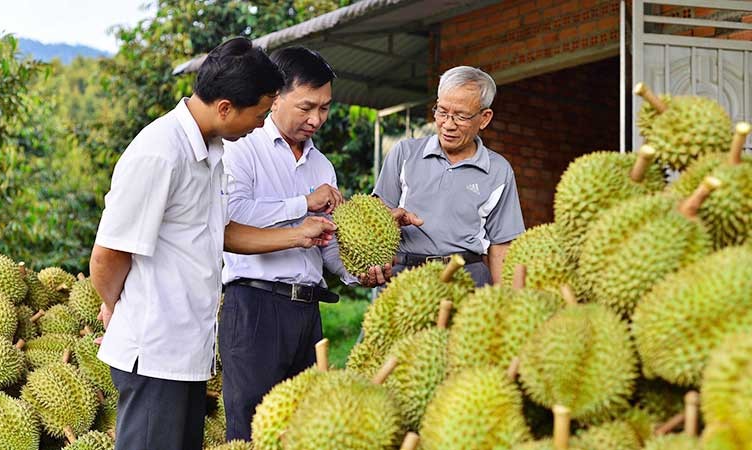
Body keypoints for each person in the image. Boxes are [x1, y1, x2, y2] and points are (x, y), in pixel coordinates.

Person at [88, 38, 337, 450]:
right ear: (225, 107)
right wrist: (118, 307)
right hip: (155, 347)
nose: (261, 124)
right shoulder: (160, 153)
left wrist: (299, 233)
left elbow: (220, 231)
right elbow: (108, 254)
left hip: (187, 348)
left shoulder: (211, 149)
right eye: (259, 114)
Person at [220, 46, 421, 441]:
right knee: (250, 429)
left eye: (325, 109)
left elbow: (325, 242)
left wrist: (355, 272)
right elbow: (231, 219)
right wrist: (303, 203)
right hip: (254, 306)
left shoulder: (321, 164)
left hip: (307, 311)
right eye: (306, 107)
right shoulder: (242, 149)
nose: (316, 119)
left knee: (308, 425)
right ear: (275, 96)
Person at [373, 65, 525, 286]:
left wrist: (508, 304)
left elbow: (502, 246)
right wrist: (388, 220)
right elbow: (375, 215)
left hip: (468, 279)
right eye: (442, 112)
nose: (448, 124)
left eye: (461, 116)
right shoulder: (405, 153)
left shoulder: (499, 171)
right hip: (407, 276)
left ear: (484, 118)